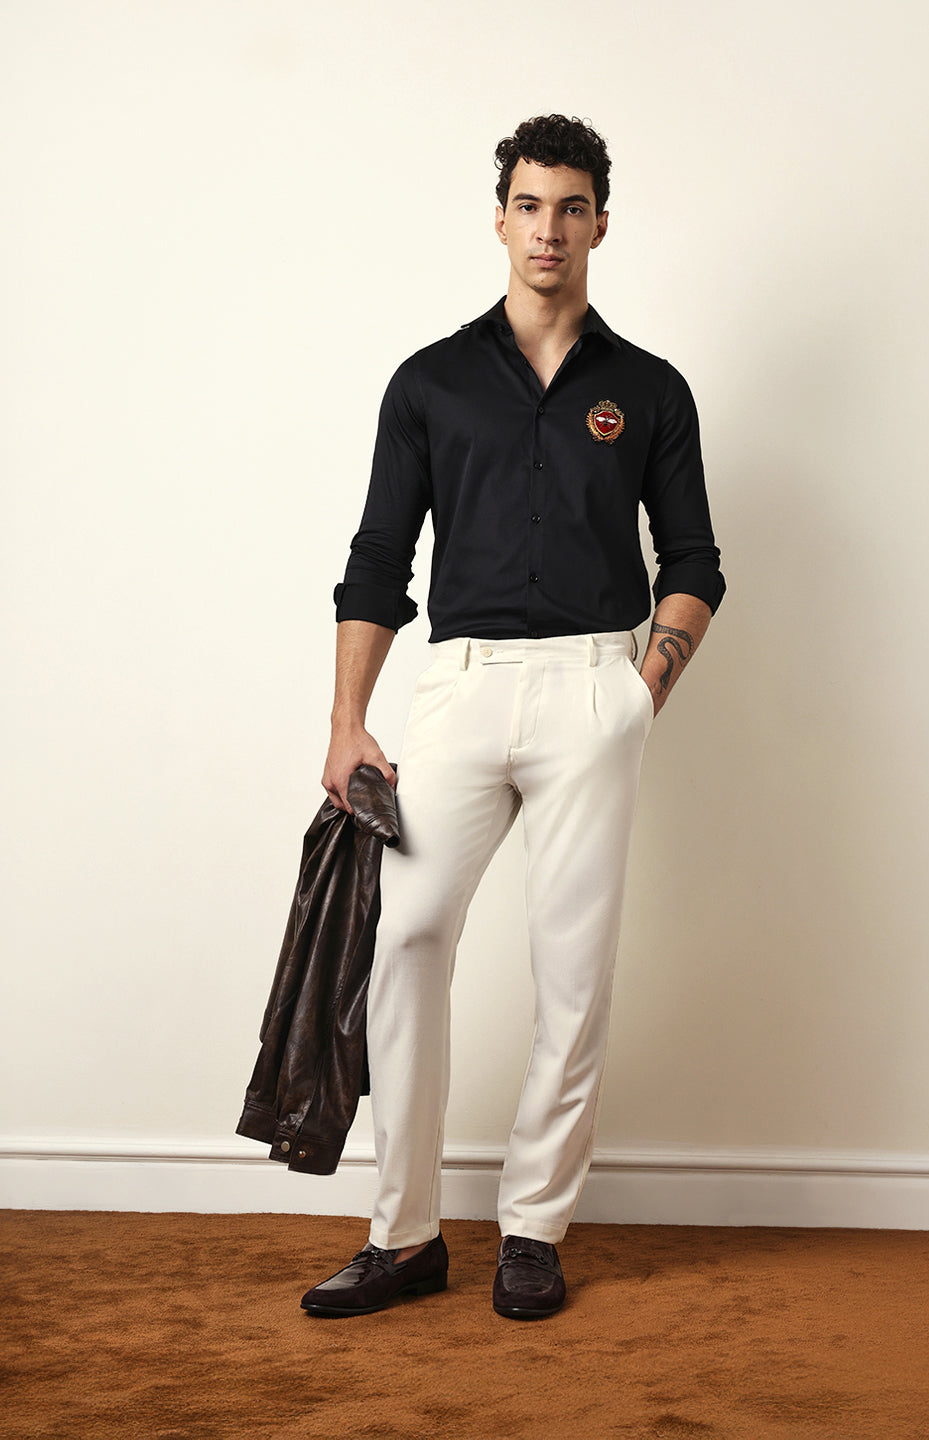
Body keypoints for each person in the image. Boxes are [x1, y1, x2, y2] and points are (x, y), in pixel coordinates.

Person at [301, 114, 725, 1321]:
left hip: (595, 684)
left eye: (571, 207)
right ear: (500, 220)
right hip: (462, 683)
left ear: (601, 224)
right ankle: (404, 1235)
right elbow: (379, 559)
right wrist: (347, 722)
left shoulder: (650, 389)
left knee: (572, 971)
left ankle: (533, 1227)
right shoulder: (430, 382)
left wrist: (639, 695)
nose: (550, 229)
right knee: (407, 936)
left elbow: (694, 559)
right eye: (530, 206)